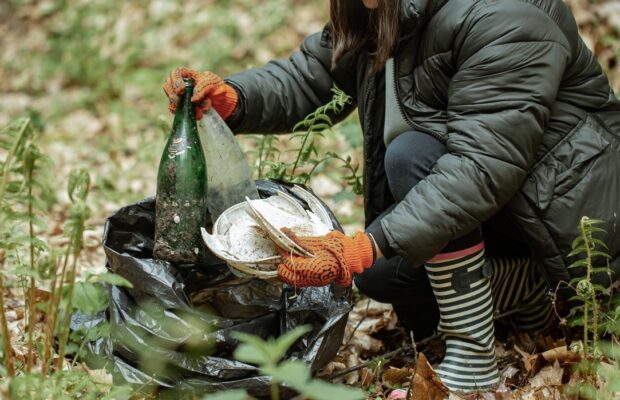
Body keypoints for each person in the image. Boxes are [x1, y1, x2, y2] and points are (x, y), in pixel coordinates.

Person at [163, 0, 620, 392]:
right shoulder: (382, 9)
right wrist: (235, 99)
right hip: (494, 214)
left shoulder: (504, 14)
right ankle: (531, 293)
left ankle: (475, 352)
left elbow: (481, 167)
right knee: (382, 280)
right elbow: (313, 76)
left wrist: (368, 244)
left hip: (568, 227)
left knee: (411, 156)